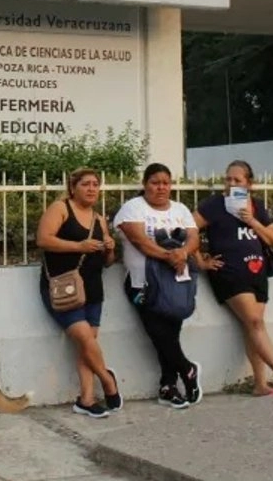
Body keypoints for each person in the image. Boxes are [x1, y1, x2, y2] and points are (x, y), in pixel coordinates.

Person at [194, 160, 273, 396]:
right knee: (255, 322)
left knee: (252, 326)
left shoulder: (255, 207)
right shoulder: (215, 205)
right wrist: (199, 260)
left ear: (249, 183)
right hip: (229, 271)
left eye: (238, 180)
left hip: (256, 270)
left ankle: (260, 383)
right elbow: (188, 227)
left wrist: (251, 220)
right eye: (228, 179)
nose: (231, 183)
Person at [35, 167, 122, 418]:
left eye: (96, 184)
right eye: (86, 184)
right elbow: (43, 239)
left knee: (87, 345)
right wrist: (78, 245)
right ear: (73, 188)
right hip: (64, 287)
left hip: (93, 288)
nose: (92, 188)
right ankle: (107, 381)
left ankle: (85, 399)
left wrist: (109, 248)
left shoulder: (99, 219)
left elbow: (108, 262)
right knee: (85, 339)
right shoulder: (61, 209)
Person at [113, 162, 201, 409]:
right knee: (158, 333)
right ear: (145, 185)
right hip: (143, 283)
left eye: (165, 182)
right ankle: (187, 369)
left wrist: (183, 252)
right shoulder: (133, 208)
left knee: (170, 334)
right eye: (155, 182)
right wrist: (171, 256)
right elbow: (139, 240)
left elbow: (194, 237)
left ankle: (168, 386)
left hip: (176, 282)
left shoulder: (181, 209)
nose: (160, 187)